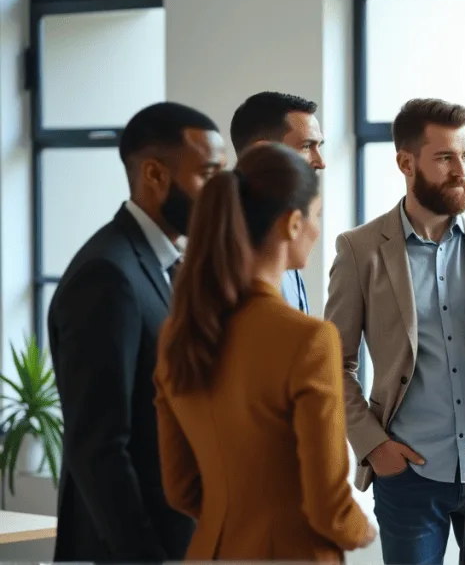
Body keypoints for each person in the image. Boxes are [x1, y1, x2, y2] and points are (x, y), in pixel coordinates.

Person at [323, 98, 465, 564]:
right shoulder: (360, 250)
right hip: (410, 474)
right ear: (406, 163)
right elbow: (332, 363)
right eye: (445, 158)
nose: (461, 170)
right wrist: (374, 447)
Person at [152, 143, 375, 561]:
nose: (316, 228)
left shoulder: (179, 334)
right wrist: (362, 530)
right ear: (293, 223)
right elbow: (328, 508)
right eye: (317, 215)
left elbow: (180, 487)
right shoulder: (308, 340)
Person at [48, 101, 226, 562]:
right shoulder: (107, 275)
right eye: (207, 174)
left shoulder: (169, 265)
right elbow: (99, 446)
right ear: (154, 175)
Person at [229, 91, 325, 313]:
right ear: (263, 151)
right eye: (306, 146)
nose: (321, 162)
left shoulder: (283, 231)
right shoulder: (233, 245)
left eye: (319, 146)